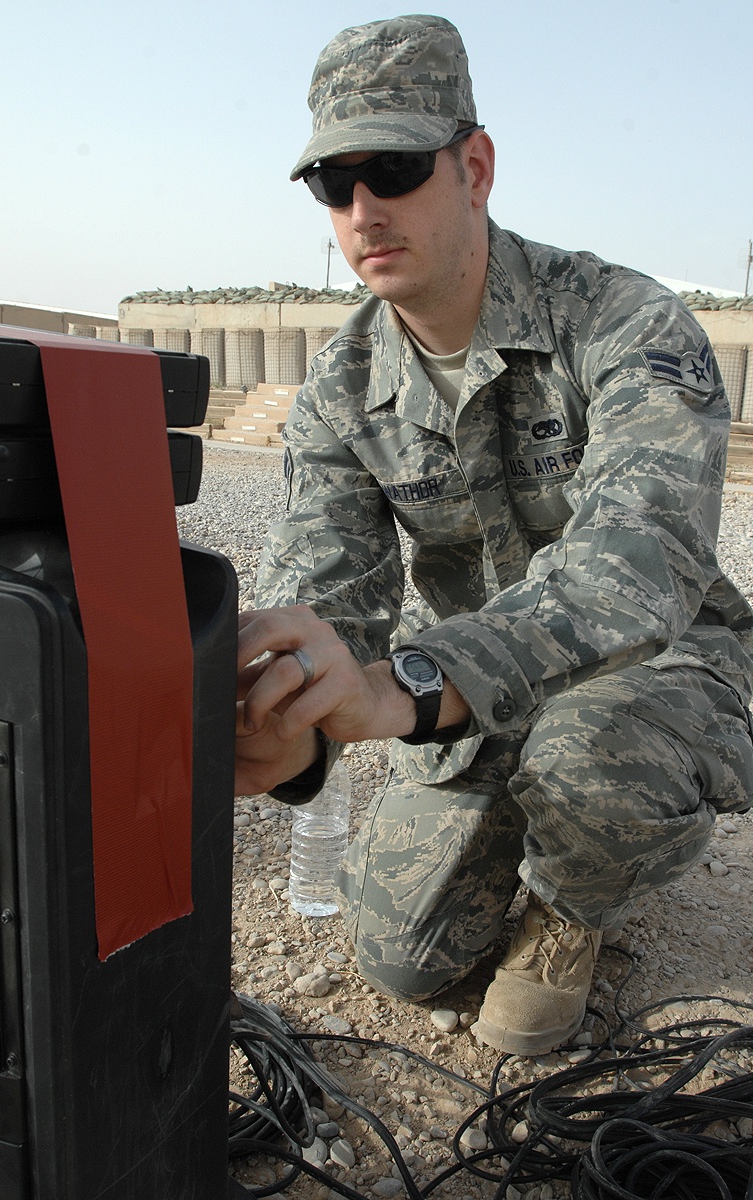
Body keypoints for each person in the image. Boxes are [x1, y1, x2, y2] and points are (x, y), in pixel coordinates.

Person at [235, 14, 753, 1056]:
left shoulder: (621, 324)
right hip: (477, 692)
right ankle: (547, 817)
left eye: (392, 165)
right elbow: (328, 589)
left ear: (472, 166)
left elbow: (635, 564)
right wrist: (282, 707)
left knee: (589, 756)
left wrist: (410, 685)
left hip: (659, 665)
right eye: (334, 185)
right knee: (400, 953)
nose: (364, 209)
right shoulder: (339, 391)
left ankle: (574, 903)